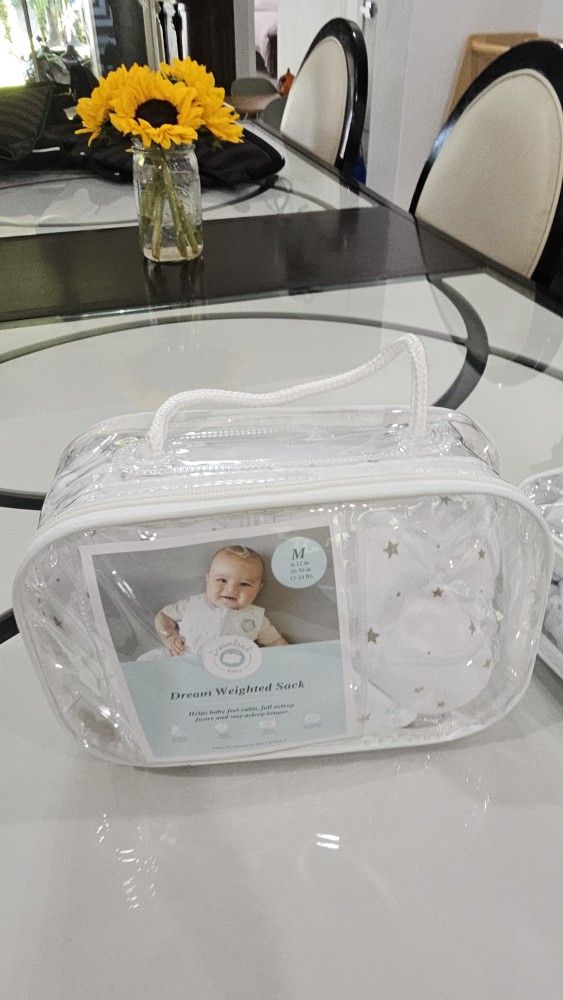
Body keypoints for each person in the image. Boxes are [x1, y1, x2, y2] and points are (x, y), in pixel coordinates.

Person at [154, 545, 288, 656]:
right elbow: (164, 615)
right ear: (208, 579)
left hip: (230, 672)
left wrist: (290, 658)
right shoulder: (191, 604)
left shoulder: (256, 617)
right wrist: (169, 636)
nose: (231, 589)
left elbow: (277, 642)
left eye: (244, 584)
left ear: (258, 589)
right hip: (184, 663)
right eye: (222, 580)